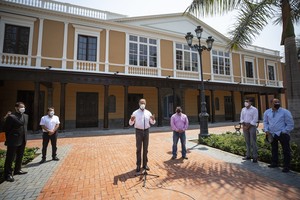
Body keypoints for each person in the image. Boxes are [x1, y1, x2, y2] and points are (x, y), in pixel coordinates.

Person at [263, 98, 294, 172]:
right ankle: (274, 163)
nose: (277, 103)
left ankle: (286, 166)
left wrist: (283, 131)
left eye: (278, 102)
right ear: (271, 104)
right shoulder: (267, 112)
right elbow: (265, 122)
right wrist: (266, 130)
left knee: (286, 150)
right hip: (272, 134)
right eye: (275, 102)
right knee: (274, 149)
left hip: (282, 134)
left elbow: (290, 123)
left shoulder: (285, 112)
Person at [3, 102, 28, 182]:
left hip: (23, 139)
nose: (23, 108)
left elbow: (25, 128)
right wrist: (10, 137)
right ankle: (8, 174)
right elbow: (6, 129)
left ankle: (17, 170)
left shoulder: (25, 116)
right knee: (10, 158)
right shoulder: (11, 117)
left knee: (20, 156)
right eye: (21, 107)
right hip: (13, 140)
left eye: (23, 107)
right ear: (16, 108)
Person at [129, 99, 156, 172]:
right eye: (141, 103)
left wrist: (153, 119)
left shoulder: (148, 112)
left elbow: (152, 122)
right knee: (138, 149)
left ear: (145, 104)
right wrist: (131, 120)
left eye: (144, 103)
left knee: (145, 149)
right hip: (138, 131)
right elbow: (130, 123)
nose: (142, 104)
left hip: (146, 131)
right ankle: (138, 165)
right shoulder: (135, 113)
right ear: (139, 103)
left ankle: (145, 164)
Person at [240, 98, 259, 163]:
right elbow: (241, 118)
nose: (246, 102)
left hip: (252, 126)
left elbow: (255, 119)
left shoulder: (254, 109)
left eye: (247, 101)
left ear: (251, 103)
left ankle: (255, 157)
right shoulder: (243, 109)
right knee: (247, 141)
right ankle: (248, 155)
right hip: (245, 126)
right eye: (245, 101)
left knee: (253, 141)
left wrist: (248, 126)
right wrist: (244, 125)